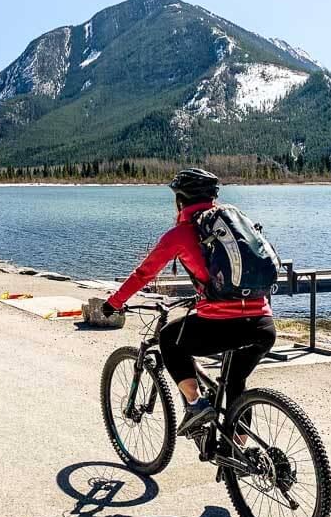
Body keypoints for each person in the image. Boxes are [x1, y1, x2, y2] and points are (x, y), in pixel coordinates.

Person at [101, 168, 276, 436]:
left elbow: (143, 274)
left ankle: (195, 404)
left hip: (222, 325)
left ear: (180, 200)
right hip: (263, 325)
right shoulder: (235, 226)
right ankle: (242, 460)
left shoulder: (180, 234)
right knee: (235, 382)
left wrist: (113, 303)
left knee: (170, 338)